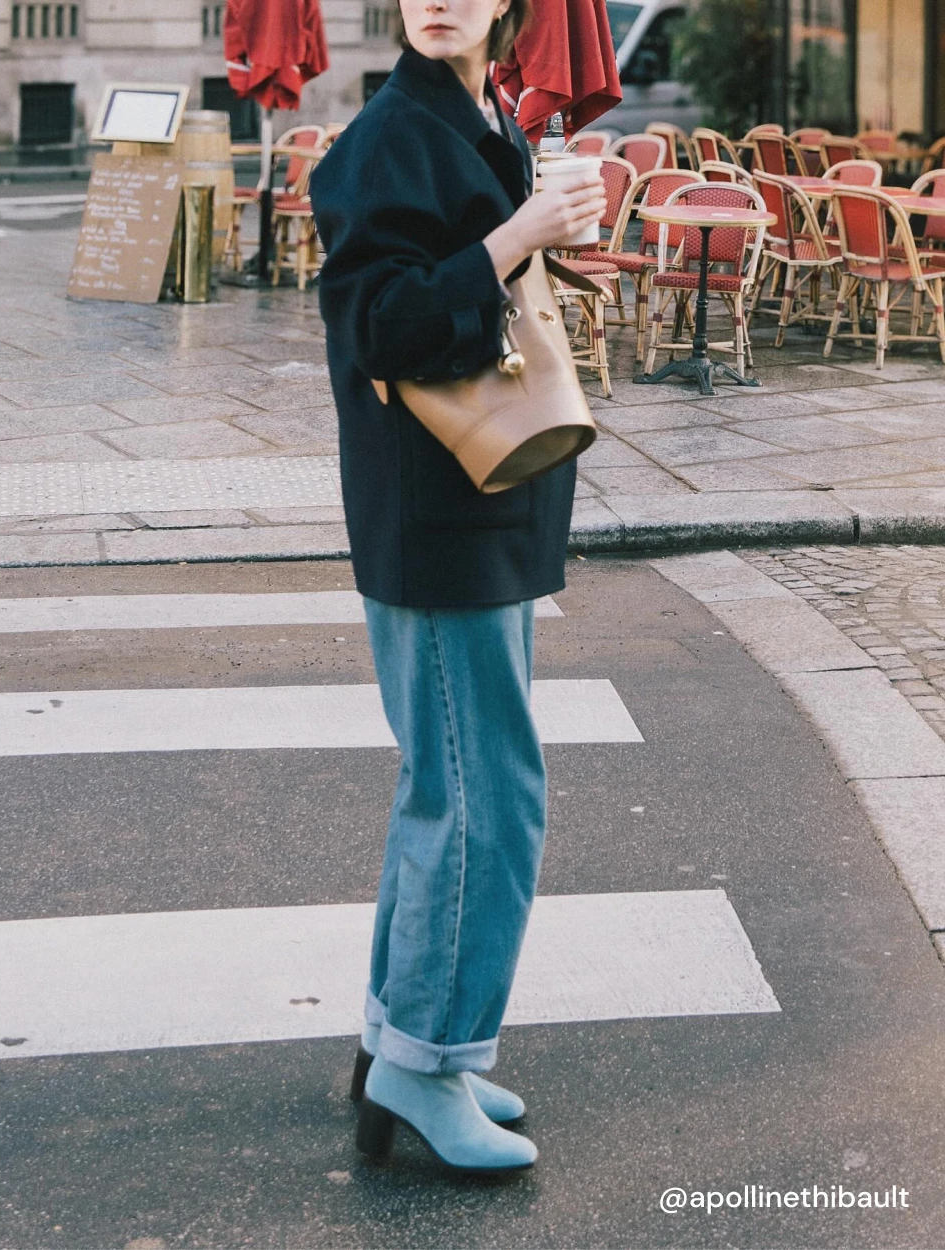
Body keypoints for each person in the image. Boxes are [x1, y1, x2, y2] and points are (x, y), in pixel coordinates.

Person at [310, 0, 606, 1175]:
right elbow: (379, 326)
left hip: (471, 506)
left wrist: (548, 224)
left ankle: (408, 1041)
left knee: (451, 785)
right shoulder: (391, 132)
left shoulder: (479, 112)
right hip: (440, 519)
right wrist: (515, 231)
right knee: (487, 796)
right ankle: (423, 1059)